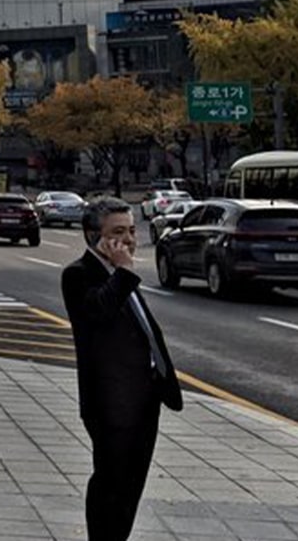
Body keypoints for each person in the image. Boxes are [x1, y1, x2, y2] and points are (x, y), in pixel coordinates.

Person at [62, 197, 182, 541]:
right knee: (111, 486)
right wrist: (125, 272)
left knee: (131, 488)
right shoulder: (79, 275)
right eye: (117, 232)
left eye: (131, 230)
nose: (129, 239)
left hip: (144, 400)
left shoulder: (118, 273)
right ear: (92, 236)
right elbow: (98, 313)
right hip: (111, 403)